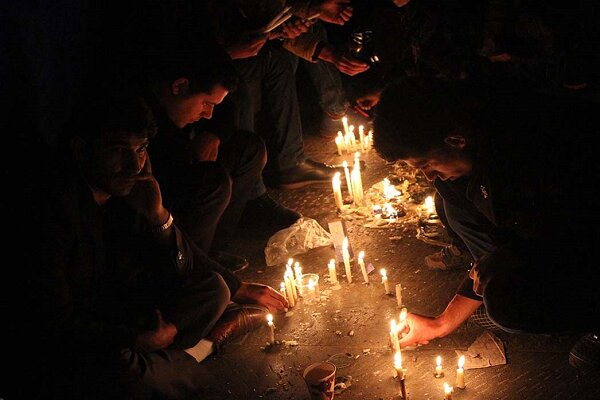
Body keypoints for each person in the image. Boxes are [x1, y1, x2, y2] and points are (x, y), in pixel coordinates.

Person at [22, 89, 287, 399]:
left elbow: (180, 265)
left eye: (141, 149)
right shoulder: (56, 214)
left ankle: (169, 354)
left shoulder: (130, 192)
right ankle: (196, 352)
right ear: (82, 149)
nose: (134, 166)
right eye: (119, 150)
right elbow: (55, 325)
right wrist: (137, 340)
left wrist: (158, 215)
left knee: (214, 288)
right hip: (97, 336)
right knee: (124, 372)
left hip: (131, 308)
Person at [373, 77, 600, 373]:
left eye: (426, 165)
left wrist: (516, 258)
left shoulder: (540, 152)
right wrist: (442, 323)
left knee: (508, 302)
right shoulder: (461, 169)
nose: (428, 176)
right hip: (545, 235)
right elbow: (497, 250)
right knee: (449, 205)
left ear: (456, 140)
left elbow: (579, 233)